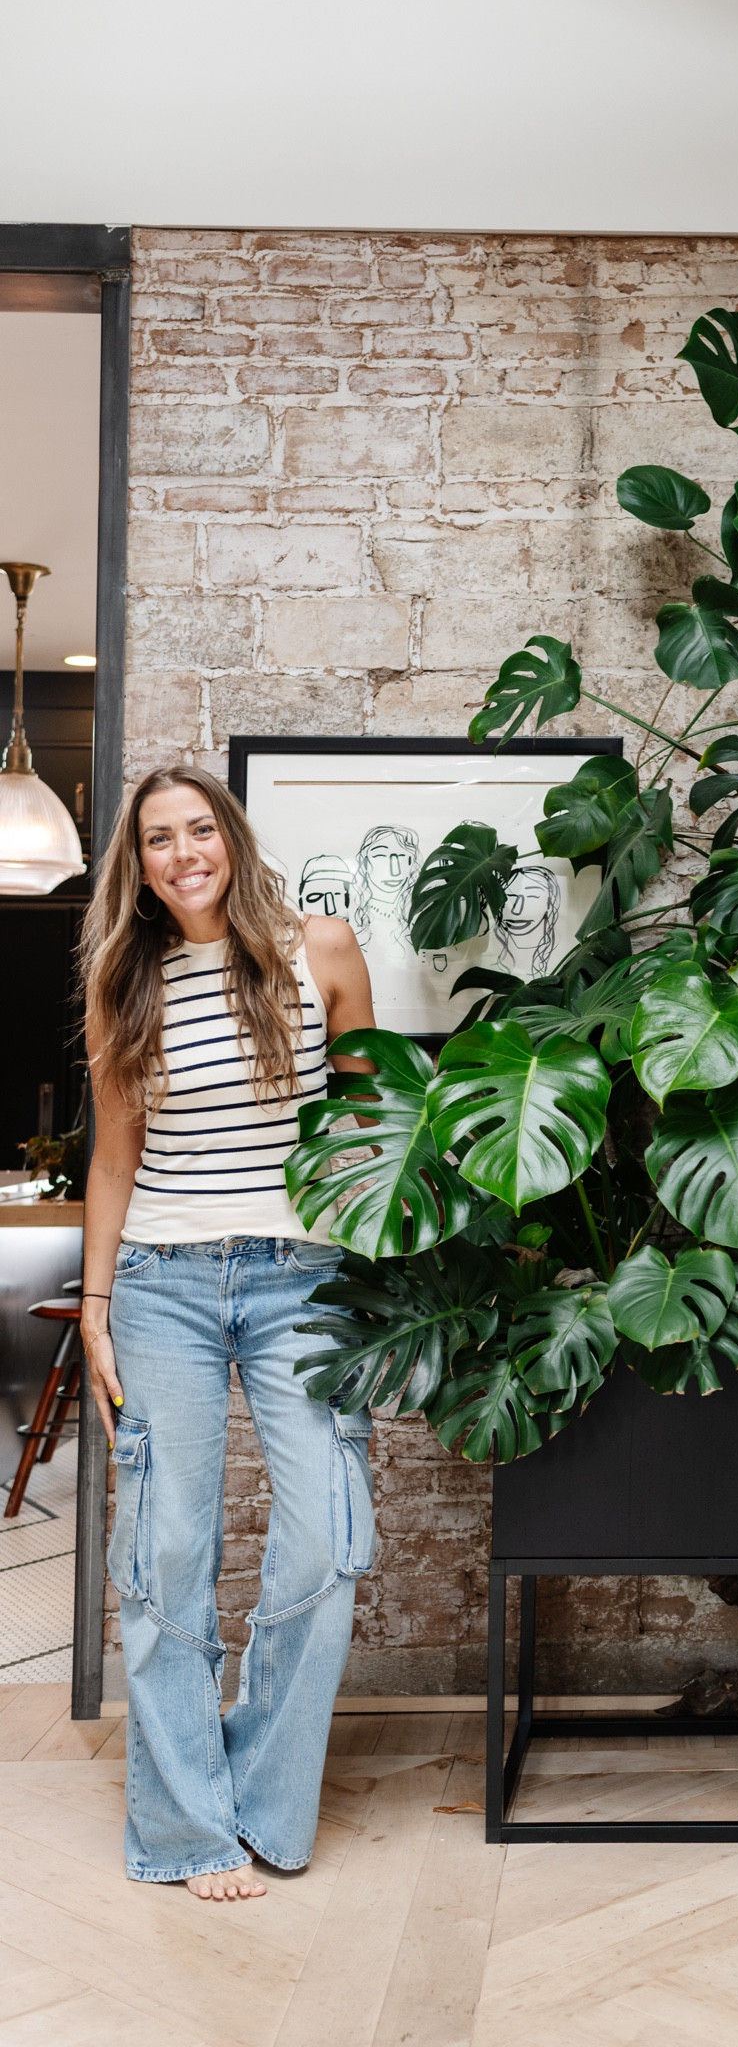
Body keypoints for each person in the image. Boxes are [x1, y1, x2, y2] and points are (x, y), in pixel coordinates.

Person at [80, 767, 377, 1902]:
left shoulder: (321, 948)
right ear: (140, 864)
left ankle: (257, 1788)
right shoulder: (127, 978)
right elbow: (114, 1160)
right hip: (159, 1281)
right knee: (166, 1554)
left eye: (199, 827)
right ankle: (187, 1824)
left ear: (232, 836)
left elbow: (364, 1117)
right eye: (159, 838)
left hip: (301, 1276)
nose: (182, 851)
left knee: (325, 1540)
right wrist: (97, 1308)